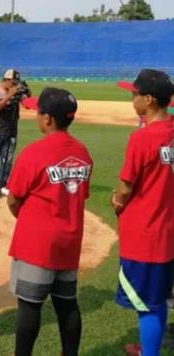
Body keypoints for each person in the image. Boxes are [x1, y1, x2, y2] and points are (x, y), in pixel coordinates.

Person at [8, 88, 93, 356]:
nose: (36, 116)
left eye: (38, 112)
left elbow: (14, 199)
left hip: (37, 243)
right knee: (67, 305)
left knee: (30, 307)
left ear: (48, 119)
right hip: (69, 241)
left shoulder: (34, 153)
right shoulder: (82, 152)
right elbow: (81, 194)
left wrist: (30, 217)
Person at [111, 69, 174, 356]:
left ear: (148, 100)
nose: (132, 98)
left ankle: (149, 353)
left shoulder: (142, 138)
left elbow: (125, 187)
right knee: (158, 298)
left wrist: (116, 201)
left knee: (147, 302)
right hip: (168, 229)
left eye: (135, 94)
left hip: (145, 233)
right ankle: (149, 348)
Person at [0, 69, 30, 196]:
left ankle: (3, 184)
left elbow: (27, 105)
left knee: (7, 160)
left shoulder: (17, 91)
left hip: (11, 130)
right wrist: (9, 95)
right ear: (6, 80)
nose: (15, 85)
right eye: (13, 82)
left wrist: (27, 92)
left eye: (17, 82)